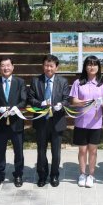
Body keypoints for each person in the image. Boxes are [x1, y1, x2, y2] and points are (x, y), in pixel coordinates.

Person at [28, 54, 70, 187]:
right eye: (46, 65)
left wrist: (61, 105)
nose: (48, 68)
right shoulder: (36, 81)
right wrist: (41, 103)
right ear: (43, 66)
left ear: (56, 67)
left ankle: (54, 175)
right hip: (41, 122)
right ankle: (42, 175)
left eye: (51, 66)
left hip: (57, 121)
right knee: (41, 150)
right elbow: (30, 99)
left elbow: (66, 99)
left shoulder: (63, 81)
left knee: (56, 152)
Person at [69, 56, 103, 188]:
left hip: (95, 123)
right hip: (81, 122)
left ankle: (91, 175)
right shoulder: (78, 82)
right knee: (82, 150)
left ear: (99, 67)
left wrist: (101, 101)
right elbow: (74, 101)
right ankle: (82, 173)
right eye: (89, 64)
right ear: (85, 67)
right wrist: (85, 102)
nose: (91, 67)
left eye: (94, 65)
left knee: (93, 150)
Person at [0, 57, 28, 188]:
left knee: (18, 150)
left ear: (13, 67)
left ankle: (18, 174)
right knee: (0, 150)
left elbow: (24, 100)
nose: (6, 68)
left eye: (8, 65)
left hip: (16, 122)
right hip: (0, 124)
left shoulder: (20, 82)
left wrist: (16, 108)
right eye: (3, 66)